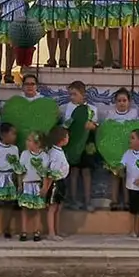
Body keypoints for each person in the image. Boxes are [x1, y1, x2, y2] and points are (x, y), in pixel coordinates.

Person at [60, 80, 98, 211]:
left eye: (75, 94)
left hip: (87, 144)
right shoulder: (68, 108)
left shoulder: (92, 109)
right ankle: (73, 199)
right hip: (72, 144)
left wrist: (92, 126)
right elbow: (66, 126)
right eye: (70, 94)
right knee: (73, 172)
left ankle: (88, 201)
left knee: (86, 172)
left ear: (83, 94)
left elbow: (95, 126)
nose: (72, 97)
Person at [103, 88, 139, 210]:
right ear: (115, 102)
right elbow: (106, 130)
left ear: (129, 102)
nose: (122, 103)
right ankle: (114, 201)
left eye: (124, 100)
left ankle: (127, 201)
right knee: (115, 175)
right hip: (114, 150)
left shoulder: (134, 113)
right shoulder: (111, 114)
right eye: (119, 100)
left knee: (126, 175)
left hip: (128, 149)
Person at [17, 131, 50, 241]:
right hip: (26, 184)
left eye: (30, 140)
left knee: (38, 209)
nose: (27, 142)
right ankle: (24, 231)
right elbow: (20, 170)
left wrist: (45, 187)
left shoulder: (44, 156)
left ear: (38, 143)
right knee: (24, 208)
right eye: (27, 140)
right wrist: (20, 184)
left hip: (37, 185)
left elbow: (45, 173)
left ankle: (37, 231)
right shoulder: (24, 154)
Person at [44, 126, 71, 240]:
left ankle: (57, 230)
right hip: (55, 182)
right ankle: (51, 232)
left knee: (58, 207)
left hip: (61, 182)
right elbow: (51, 173)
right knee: (52, 208)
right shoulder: (54, 153)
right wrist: (46, 188)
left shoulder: (59, 151)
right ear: (62, 139)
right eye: (67, 136)